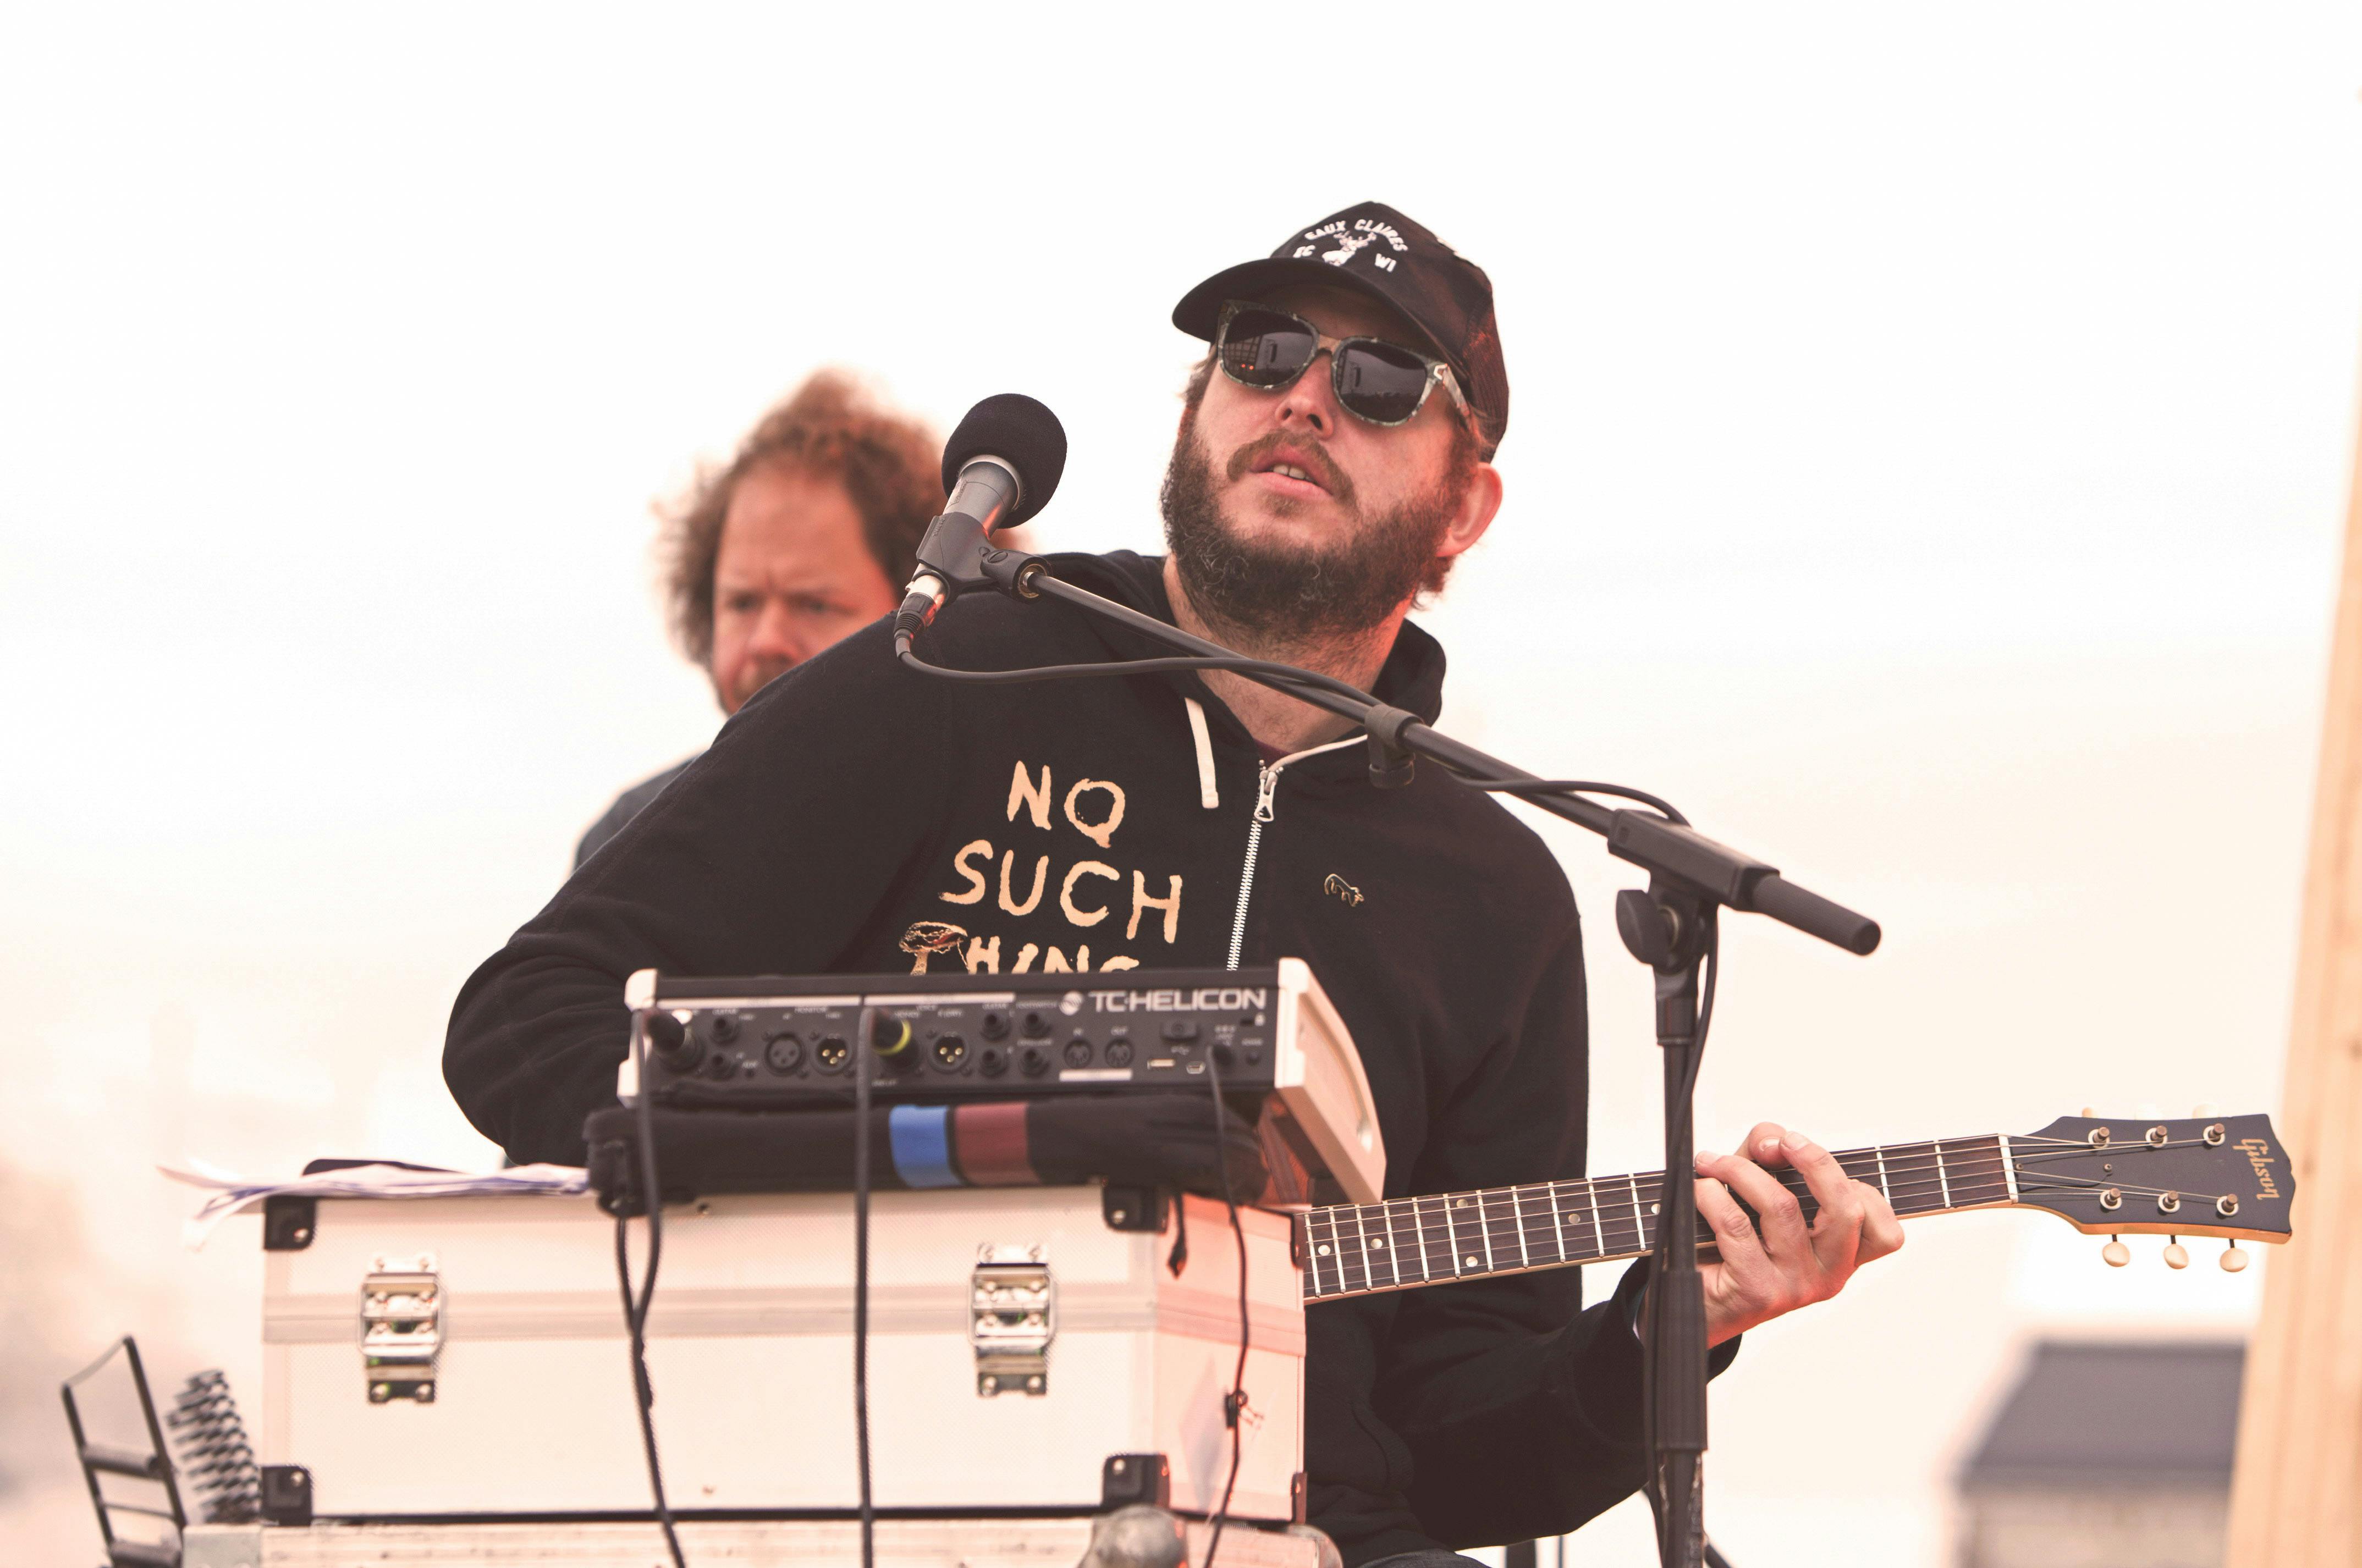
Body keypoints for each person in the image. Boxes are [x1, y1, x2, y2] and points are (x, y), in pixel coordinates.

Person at [447, 203, 1902, 1565]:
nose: (1304, 396)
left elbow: (1460, 1437)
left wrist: (1671, 1324)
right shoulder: (945, 674)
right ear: (1195, 415)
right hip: (875, 1498)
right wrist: (880, 1165)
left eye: (1382, 380)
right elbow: (526, 1017)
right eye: (1259, 353)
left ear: (1465, 506)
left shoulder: (1496, 889)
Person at [575, 371, 952, 868]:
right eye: (742, 603)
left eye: (815, 604)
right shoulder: (629, 843)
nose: (766, 640)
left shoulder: (1004, 826)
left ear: (930, 612)